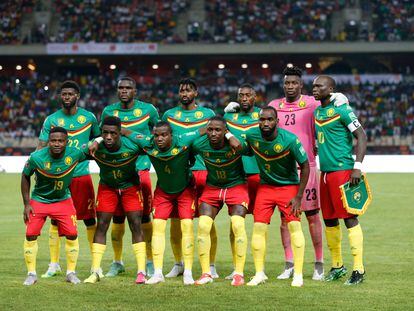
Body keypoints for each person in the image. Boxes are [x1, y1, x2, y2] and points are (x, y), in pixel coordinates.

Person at [123, 121, 200, 285]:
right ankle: (158, 273)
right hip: (163, 192)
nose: (159, 138)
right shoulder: (148, 144)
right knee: (158, 227)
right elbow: (125, 131)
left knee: (186, 226)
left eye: (164, 135)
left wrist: (228, 134)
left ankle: (188, 272)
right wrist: (98, 140)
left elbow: (206, 129)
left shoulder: (184, 140)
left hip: (185, 190)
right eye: (156, 135)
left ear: (172, 135)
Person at [37, 80, 100, 278]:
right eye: (63, 94)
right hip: (58, 177)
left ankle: (95, 265)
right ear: (60, 96)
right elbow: (41, 147)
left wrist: (95, 142)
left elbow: (99, 138)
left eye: (70, 94)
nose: (66, 97)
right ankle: (54, 264)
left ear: (77, 96)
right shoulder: (51, 120)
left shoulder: (88, 117)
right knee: (55, 221)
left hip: (81, 175)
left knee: (89, 220)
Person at [268, 66, 324, 280]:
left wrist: (339, 97)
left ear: (301, 85)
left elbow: (331, 103)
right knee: (285, 218)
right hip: (284, 170)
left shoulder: (312, 102)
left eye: (294, 83)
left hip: (306, 166)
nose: (290, 86)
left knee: (312, 216)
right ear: (283, 85)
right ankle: (289, 263)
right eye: (287, 83)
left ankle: (318, 263)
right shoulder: (275, 106)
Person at [100, 77, 159, 277]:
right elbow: (103, 137)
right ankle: (117, 261)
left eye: (128, 88)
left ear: (135, 91)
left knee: (143, 217)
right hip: (117, 172)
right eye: (121, 88)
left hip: (140, 171)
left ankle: (149, 261)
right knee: (117, 218)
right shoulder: (108, 111)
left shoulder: (148, 110)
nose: (124, 91)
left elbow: (156, 135)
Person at [246, 106, 310, 287]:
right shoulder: (252, 136)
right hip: (265, 188)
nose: (265, 123)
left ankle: (298, 274)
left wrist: (299, 196)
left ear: (277, 121)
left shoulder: (289, 140)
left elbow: (305, 166)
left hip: (288, 188)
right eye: (262, 119)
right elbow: (243, 149)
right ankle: (259, 274)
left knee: (295, 228)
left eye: (269, 119)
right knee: (258, 228)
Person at [312, 75, 367, 285]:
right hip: (324, 173)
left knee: (349, 218)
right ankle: (337, 266)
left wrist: (357, 167)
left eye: (320, 86)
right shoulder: (318, 111)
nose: (315, 89)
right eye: (314, 86)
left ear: (331, 89)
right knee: (329, 219)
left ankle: (359, 269)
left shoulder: (343, 109)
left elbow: (361, 136)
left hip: (342, 172)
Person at [162, 78, 219, 278]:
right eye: (181, 90)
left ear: (196, 93)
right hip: (179, 173)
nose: (184, 93)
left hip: (203, 171)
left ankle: (210, 265)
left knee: (207, 220)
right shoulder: (169, 115)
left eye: (188, 90)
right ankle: (178, 263)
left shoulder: (208, 114)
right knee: (176, 221)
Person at [83, 116, 146, 285]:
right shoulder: (96, 148)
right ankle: (95, 271)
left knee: (135, 224)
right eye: (105, 133)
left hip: (130, 187)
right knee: (101, 225)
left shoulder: (132, 146)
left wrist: (128, 132)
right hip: (107, 188)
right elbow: (75, 153)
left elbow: (150, 142)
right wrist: (95, 140)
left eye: (113, 133)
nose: (109, 137)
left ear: (120, 133)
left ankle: (141, 271)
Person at [21, 127, 86, 285]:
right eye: (53, 141)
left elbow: (94, 151)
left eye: (60, 141)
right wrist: (26, 203)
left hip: (63, 200)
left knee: (72, 233)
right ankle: (31, 274)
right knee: (30, 234)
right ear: (48, 142)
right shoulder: (36, 157)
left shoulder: (75, 153)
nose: (57, 144)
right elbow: (25, 175)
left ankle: (71, 273)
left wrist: (97, 141)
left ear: (66, 142)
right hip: (40, 200)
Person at [192, 116, 249, 286]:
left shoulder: (235, 143)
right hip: (212, 187)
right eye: (210, 130)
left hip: (236, 186)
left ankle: (238, 273)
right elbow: (188, 152)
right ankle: (206, 273)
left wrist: (230, 136)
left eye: (218, 130)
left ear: (225, 131)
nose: (214, 133)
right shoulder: (199, 144)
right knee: (203, 225)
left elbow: (242, 147)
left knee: (238, 225)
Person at [223, 84, 260, 280]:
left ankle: (259, 267)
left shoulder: (263, 116)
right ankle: (237, 267)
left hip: (259, 175)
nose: (244, 98)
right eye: (241, 95)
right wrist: (223, 115)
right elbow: (217, 129)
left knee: (260, 223)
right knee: (235, 223)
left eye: (248, 95)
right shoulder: (230, 118)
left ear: (255, 97)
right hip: (236, 176)